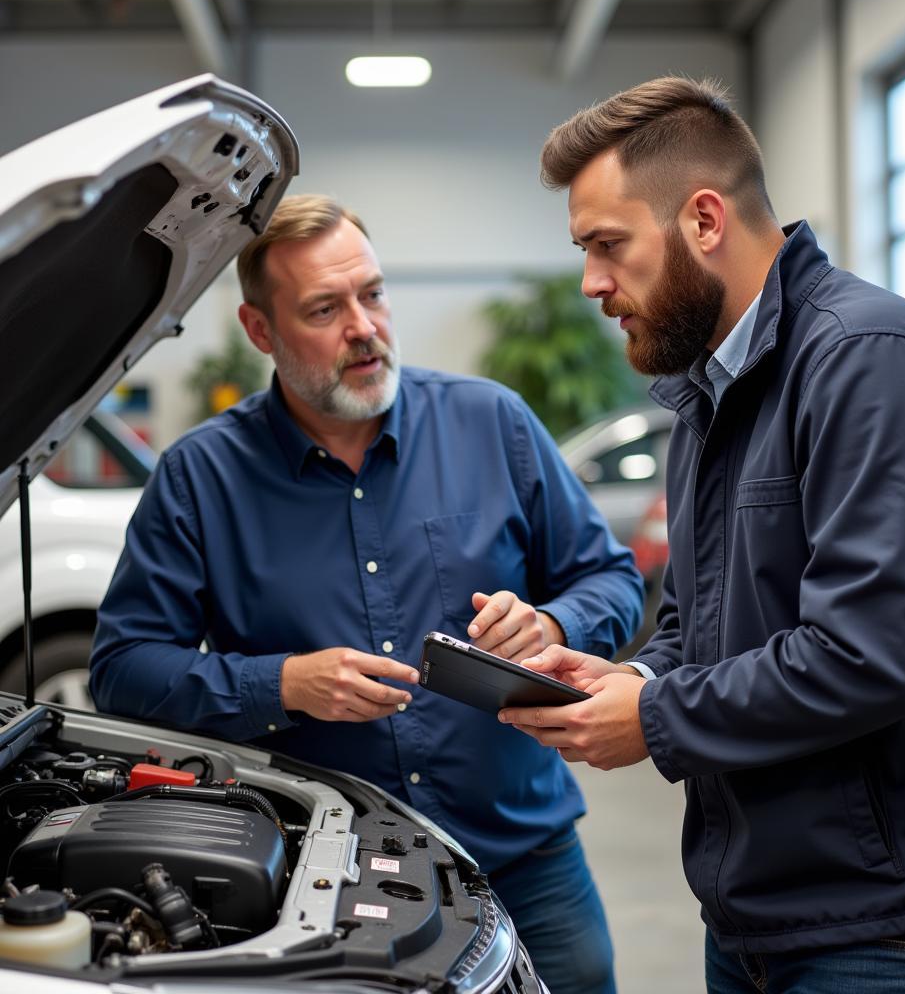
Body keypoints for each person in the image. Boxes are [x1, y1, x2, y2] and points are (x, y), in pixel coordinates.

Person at [497, 75, 905, 992]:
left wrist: (653, 720)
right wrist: (633, 677)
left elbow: (877, 656)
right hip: (760, 917)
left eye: (607, 247)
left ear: (703, 220)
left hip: (897, 930)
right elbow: (702, 625)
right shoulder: (708, 395)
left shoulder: (871, 365)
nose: (591, 284)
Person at [90, 194, 645, 994]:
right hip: (326, 877)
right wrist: (281, 684)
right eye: (325, 308)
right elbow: (123, 668)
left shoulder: (495, 424)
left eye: (374, 293)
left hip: (526, 856)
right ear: (260, 332)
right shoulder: (200, 477)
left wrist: (555, 621)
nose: (365, 327)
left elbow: (614, 579)